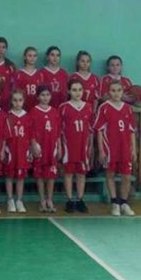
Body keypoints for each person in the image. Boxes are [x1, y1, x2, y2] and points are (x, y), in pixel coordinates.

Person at [94, 81, 137, 217]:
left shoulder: (128, 108)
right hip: (110, 148)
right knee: (110, 175)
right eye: (113, 90)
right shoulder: (104, 107)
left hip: (125, 147)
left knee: (126, 177)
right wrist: (101, 150)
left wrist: (134, 149)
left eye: (119, 90)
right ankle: (114, 203)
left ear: (122, 92)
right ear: (108, 92)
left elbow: (132, 131)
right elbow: (99, 130)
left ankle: (124, 203)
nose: (116, 93)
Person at [59, 79, 93, 213]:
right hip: (69, 145)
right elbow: (59, 129)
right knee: (68, 173)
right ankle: (69, 200)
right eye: (74, 90)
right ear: (69, 91)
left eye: (80, 90)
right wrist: (60, 146)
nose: (77, 93)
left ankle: (80, 199)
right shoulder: (63, 107)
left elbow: (91, 128)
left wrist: (91, 146)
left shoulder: (88, 107)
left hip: (83, 145)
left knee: (81, 173)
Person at [30, 85, 61, 213]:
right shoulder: (33, 111)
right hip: (40, 146)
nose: (45, 97)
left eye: (47, 95)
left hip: (51, 147)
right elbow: (30, 130)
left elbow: (58, 131)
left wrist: (59, 146)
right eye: (42, 95)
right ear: (38, 96)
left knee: (51, 175)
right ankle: (42, 200)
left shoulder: (54, 112)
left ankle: (50, 199)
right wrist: (33, 144)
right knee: (40, 175)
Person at [4, 89, 32, 213]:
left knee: (21, 177)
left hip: (23, 150)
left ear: (23, 101)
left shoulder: (27, 117)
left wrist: (30, 150)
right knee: (9, 175)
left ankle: (19, 200)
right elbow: (4, 136)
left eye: (20, 100)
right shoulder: (7, 116)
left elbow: (30, 135)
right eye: (15, 100)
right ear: (11, 101)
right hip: (11, 150)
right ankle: (10, 199)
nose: (17, 103)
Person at [14, 47, 43, 112]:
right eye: (30, 56)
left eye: (34, 56)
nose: (32, 58)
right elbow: (16, 93)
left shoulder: (40, 74)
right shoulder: (19, 74)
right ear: (24, 57)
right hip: (22, 107)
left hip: (37, 107)